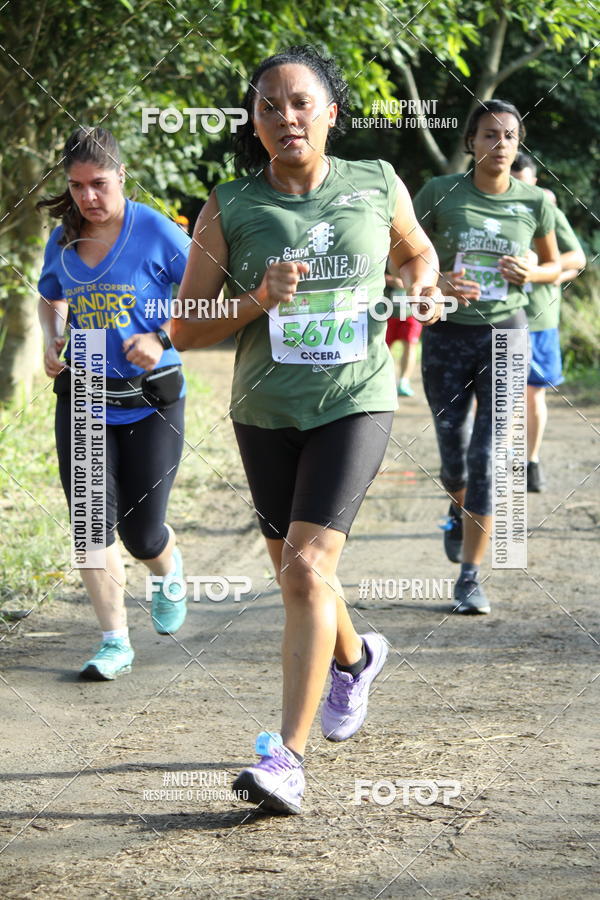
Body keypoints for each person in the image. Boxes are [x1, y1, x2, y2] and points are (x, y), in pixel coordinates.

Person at [172, 45, 443, 814]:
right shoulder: (230, 203)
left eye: (300, 102)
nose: (285, 116)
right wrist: (257, 298)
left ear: (329, 112)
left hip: (355, 400)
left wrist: (418, 285)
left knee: (303, 570)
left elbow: (416, 249)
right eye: (268, 107)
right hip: (264, 410)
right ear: (254, 124)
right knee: (302, 574)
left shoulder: (375, 182)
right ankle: (354, 661)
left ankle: (284, 758)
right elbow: (186, 329)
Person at [37, 126, 190, 680]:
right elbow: (50, 294)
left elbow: (206, 296)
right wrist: (51, 338)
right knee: (90, 523)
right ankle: (114, 642)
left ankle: (167, 566)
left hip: (151, 398)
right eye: (76, 186)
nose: (87, 197)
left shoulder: (156, 231)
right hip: (83, 393)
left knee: (141, 532)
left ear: (121, 176)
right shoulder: (64, 238)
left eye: (98, 183)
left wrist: (162, 337)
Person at [413, 99, 561, 615]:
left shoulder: (535, 200)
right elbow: (400, 258)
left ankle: (471, 577)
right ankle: (456, 510)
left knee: (490, 456)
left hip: (507, 332)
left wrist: (533, 273)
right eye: (490, 135)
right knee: (452, 449)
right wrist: (435, 281)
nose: (501, 145)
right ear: (470, 143)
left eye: (510, 137)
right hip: (448, 333)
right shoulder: (438, 193)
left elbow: (558, 261)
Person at [510, 152, 586, 492]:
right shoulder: (487, 210)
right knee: (497, 398)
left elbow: (577, 258)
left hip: (539, 317)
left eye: (524, 185)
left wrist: (542, 270)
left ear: (535, 182)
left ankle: (531, 462)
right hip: (496, 317)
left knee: (532, 394)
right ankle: (501, 464)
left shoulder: (545, 209)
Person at [384, 264, 422, 396]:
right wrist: (391, 280)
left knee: (410, 345)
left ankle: (404, 382)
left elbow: (426, 274)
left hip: (411, 312)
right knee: (384, 349)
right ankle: (385, 382)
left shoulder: (417, 248)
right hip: (387, 311)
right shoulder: (384, 248)